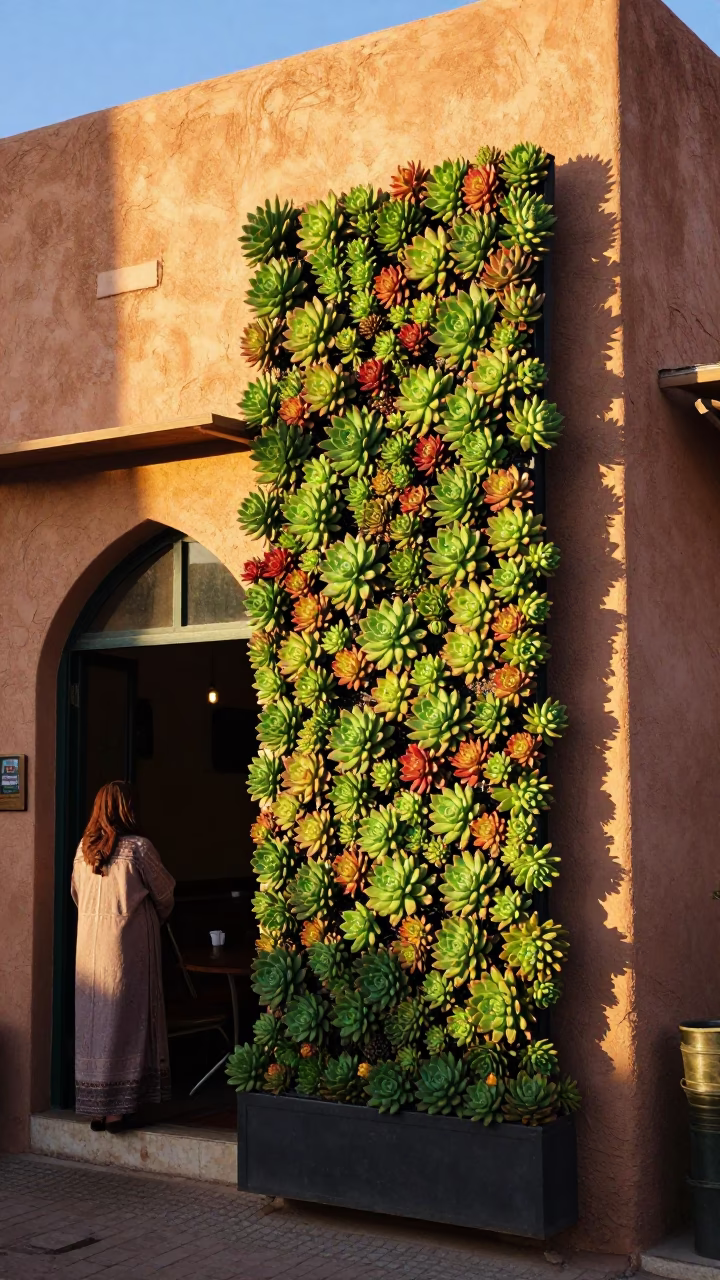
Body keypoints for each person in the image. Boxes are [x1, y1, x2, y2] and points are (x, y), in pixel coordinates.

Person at [71, 780, 175, 1132]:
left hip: (89, 951)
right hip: (128, 949)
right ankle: (118, 1110)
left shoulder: (83, 851)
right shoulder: (139, 849)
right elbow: (165, 892)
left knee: (95, 1024)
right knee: (127, 1021)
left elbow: (76, 894)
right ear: (128, 808)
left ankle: (97, 1109)